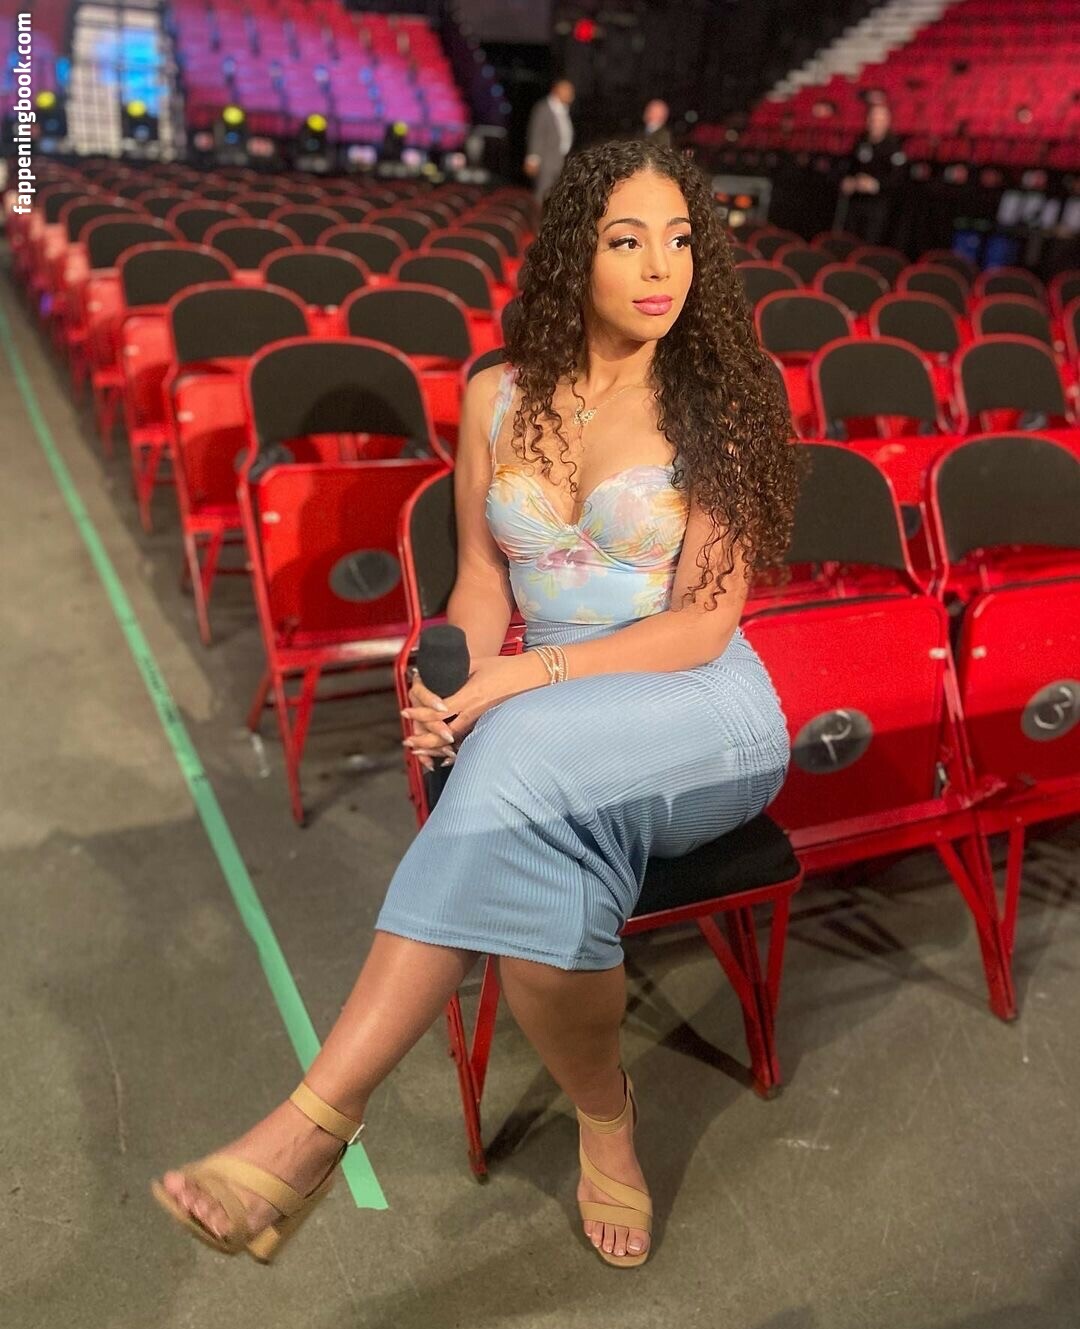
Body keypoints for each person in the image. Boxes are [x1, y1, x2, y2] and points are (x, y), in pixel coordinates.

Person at [152, 140, 801, 1271]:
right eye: (628, 240)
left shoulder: (725, 405)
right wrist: (451, 683)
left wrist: (515, 684)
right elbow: (483, 584)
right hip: (546, 732)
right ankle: (608, 1116)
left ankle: (314, 1121)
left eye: (681, 239)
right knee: (544, 891)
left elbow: (703, 625)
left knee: (518, 756)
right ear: (573, 256)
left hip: (702, 714)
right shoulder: (494, 397)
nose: (663, 267)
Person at [839, 101, 906, 246]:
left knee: (870, 243)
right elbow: (850, 167)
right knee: (849, 242)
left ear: (887, 122)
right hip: (856, 201)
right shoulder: (861, 142)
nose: (875, 123)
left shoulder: (894, 146)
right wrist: (849, 180)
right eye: (873, 118)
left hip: (878, 204)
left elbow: (898, 179)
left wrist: (875, 184)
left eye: (880, 119)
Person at [524, 77, 575, 204]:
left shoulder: (563, 110)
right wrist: (533, 158)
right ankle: (537, 215)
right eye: (567, 90)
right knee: (543, 192)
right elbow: (537, 133)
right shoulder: (544, 109)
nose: (571, 94)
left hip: (560, 158)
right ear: (556, 90)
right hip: (546, 159)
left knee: (557, 193)